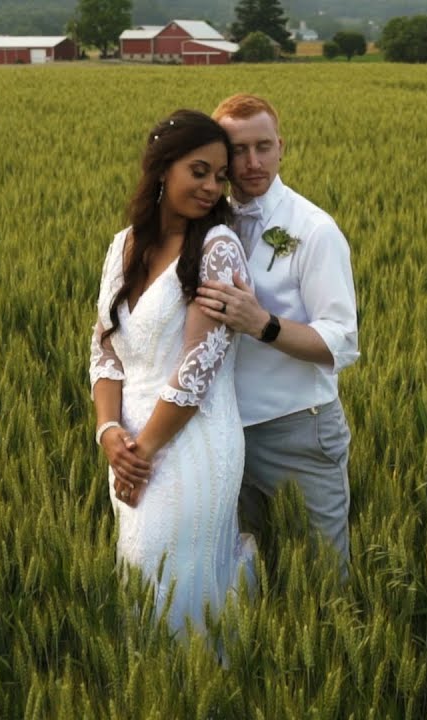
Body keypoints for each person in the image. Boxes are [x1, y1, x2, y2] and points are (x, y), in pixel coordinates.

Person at [89, 109, 256, 636]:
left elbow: (197, 368)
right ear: (163, 169)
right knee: (140, 576)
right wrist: (108, 432)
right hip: (129, 446)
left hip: (191, 441)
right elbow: (104, 350)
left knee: (176, 579)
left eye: (220, 176)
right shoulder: (123, 245)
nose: (212, 187)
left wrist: (141, 453)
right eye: (199, 171)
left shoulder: (217, 247)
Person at [194, 94, 360, 566]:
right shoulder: (204, 224)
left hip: (298, 432)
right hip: (224, 433)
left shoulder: (314, 230)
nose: (252, 162)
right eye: (238, 150)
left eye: (263, 147)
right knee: (248, 572)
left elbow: (341, 342)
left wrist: (261, 324)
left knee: (323, 575)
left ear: (281, 147)